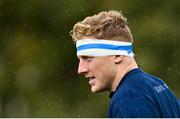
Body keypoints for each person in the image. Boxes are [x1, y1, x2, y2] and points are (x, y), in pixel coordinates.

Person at [70, 10, 180, 118]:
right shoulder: (157, 84)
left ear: (118, 55)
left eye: (88, 58)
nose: (80, 69)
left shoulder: (128, 99)